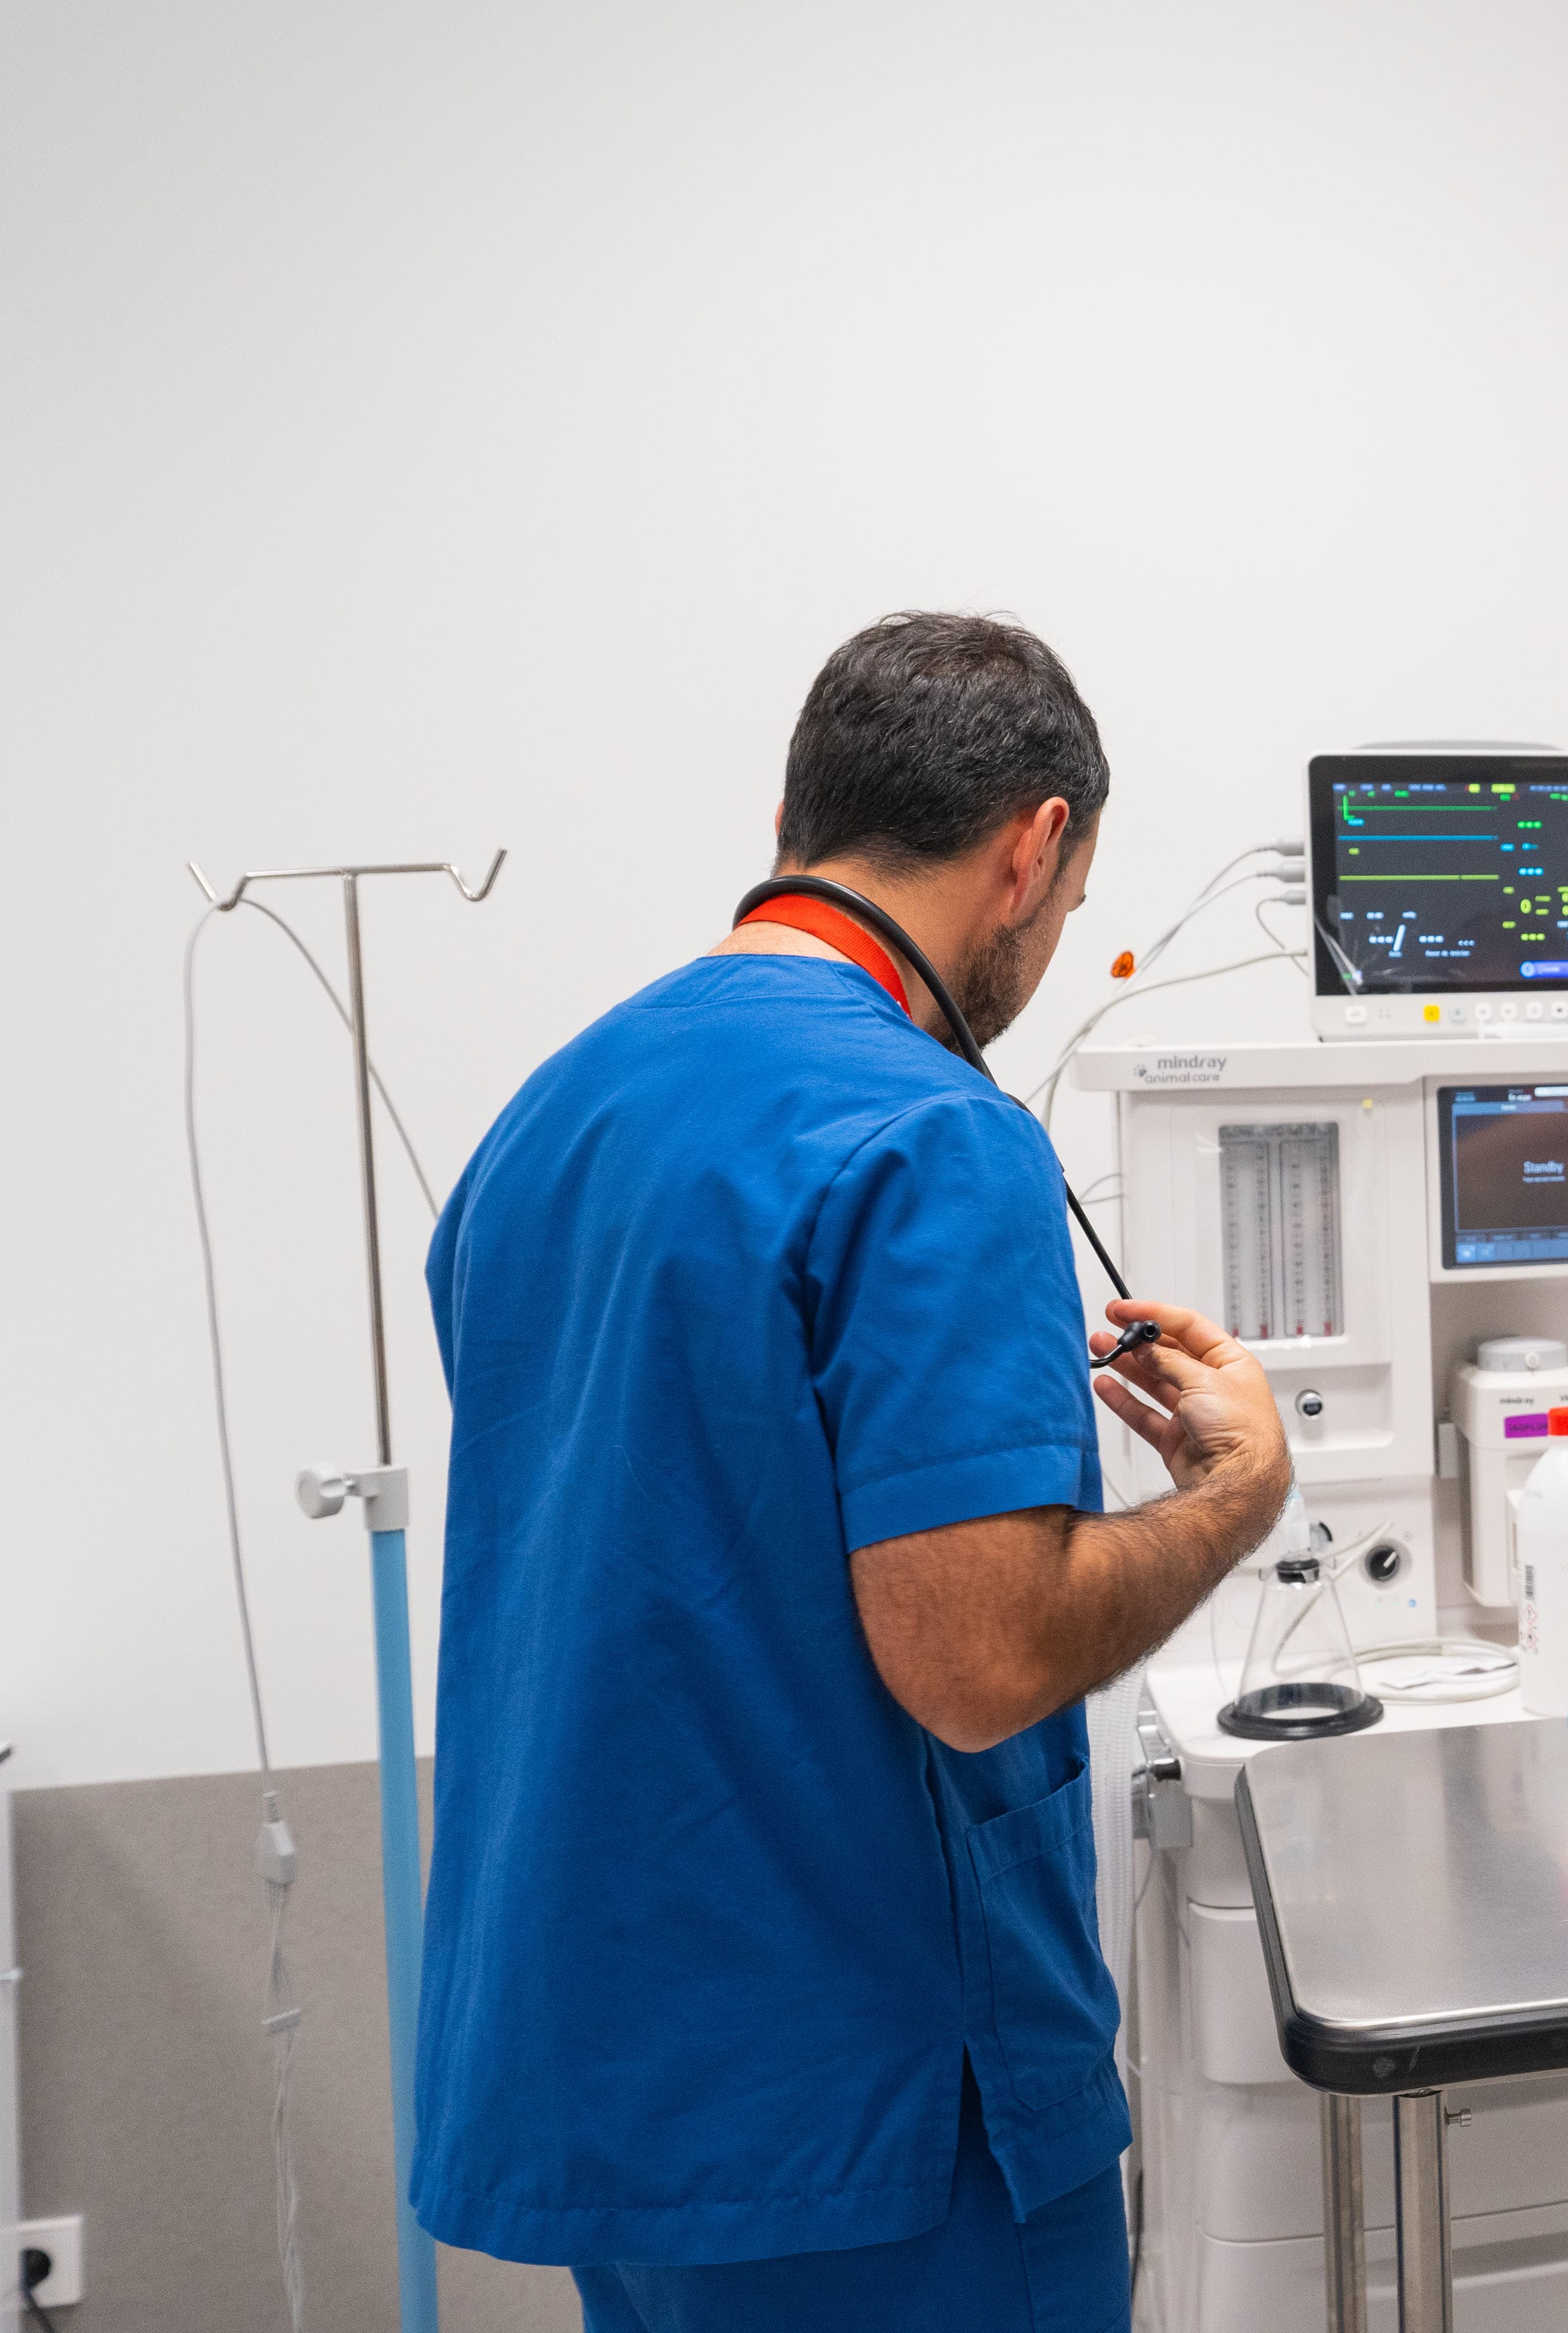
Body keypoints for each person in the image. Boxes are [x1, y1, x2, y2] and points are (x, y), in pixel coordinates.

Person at [417, 613, 1291, 2331]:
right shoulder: (934, 1134)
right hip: (872, 2108)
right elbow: (980, 1662)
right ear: (1034, 849)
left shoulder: (554, 1116)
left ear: (791, 823)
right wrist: (1228, 1502)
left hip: (624, 2073)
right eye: (1076, 902)